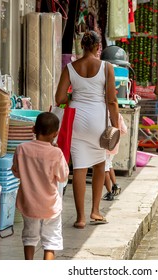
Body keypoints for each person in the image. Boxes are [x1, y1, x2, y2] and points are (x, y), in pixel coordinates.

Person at [55, 30, 119, 228]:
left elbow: (59, 98)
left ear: (82, 46)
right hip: (98, 120)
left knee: (80, 167)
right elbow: (111, 100)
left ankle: (80, 217)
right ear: (98, 47)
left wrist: (73, 98)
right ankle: (96, 211)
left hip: (77, 119)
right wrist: (115, 126)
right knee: (100, 164)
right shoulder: (106, 67)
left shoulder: (70, 68)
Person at [11, 112, 70, 260]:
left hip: (28, 203)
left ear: (33, 129)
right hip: (50, 205)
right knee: (51, 240)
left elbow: (17, 173)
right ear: (55, 134)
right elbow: (63, 176)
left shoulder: (21, 149)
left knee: (29, 237)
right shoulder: (56, 153)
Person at [102, 113, 128, 201]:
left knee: (105, 168)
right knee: (109, 165)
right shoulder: (119, 115)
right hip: (114, 145)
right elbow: (124, 130)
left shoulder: (103, 114)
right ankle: (115, 185)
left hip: (104, 145)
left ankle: (109, 192)